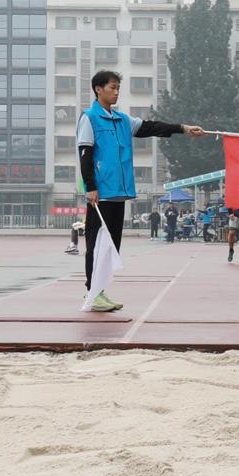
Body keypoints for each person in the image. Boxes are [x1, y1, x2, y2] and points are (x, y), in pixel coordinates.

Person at [77, 68, 205, 309]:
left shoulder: (122, 120)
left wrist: (182, 128)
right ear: (98, 89)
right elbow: (85, 153)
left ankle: (100, 291)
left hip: (119, 193)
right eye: (112, 88)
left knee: (112, 246)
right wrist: (90, 186)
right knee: (96, 244)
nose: (116, 92)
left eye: (118, 88)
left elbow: (150, 127)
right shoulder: (89, 118)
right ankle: (91, 293)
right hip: (101, 194)